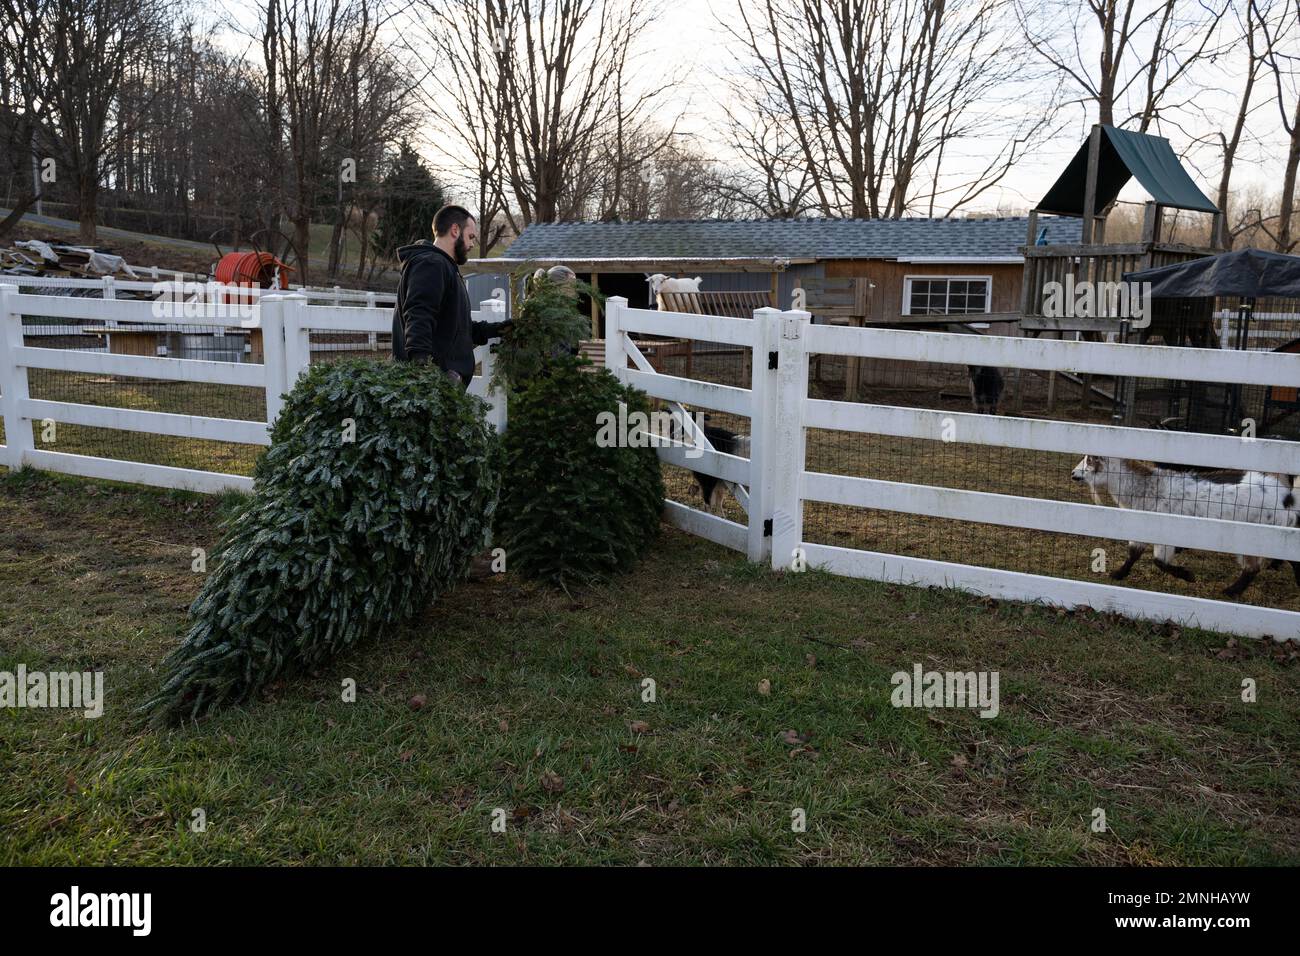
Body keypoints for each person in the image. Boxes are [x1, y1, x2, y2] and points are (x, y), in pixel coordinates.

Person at [391, 204, 510, 388]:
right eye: (470, 237)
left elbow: (457, 329)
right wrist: (421, 372)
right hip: (434, 388)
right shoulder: (432, 264)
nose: (471, 244)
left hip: (444, 385)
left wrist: (502, 329)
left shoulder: (443, 267)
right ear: (455, 230)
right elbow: (419, 315)